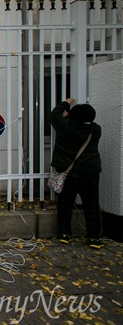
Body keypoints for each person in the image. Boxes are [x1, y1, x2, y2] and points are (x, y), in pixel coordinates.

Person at [50, 98, 103, 249]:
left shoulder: (64, 126)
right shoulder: (96, 130)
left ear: (72, 116)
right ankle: (94, 237)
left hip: (68, 172)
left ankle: (65, 234)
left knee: (65, 203)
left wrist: (66, 102)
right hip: (90, 171)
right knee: (92, 204)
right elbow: (77, 126)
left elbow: (55, 115)